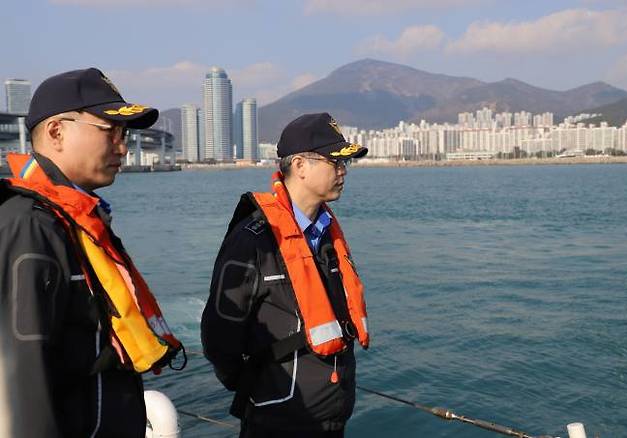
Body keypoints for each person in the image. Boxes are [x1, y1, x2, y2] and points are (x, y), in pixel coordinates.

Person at [0, 68, 184, 438]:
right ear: (57, 132)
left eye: (126, 134)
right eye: (110, 131)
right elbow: (18, 378)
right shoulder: (30, 226)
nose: (122, 145)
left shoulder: (74, 218)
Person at [201, 112, 371, 437]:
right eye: (334, 161)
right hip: (276, 421)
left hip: (332, 419)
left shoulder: (327, 238)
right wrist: (257, 384)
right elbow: (219, 335)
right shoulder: (253, 240)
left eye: (345, 163)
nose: (343, 171)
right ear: (300, 166)